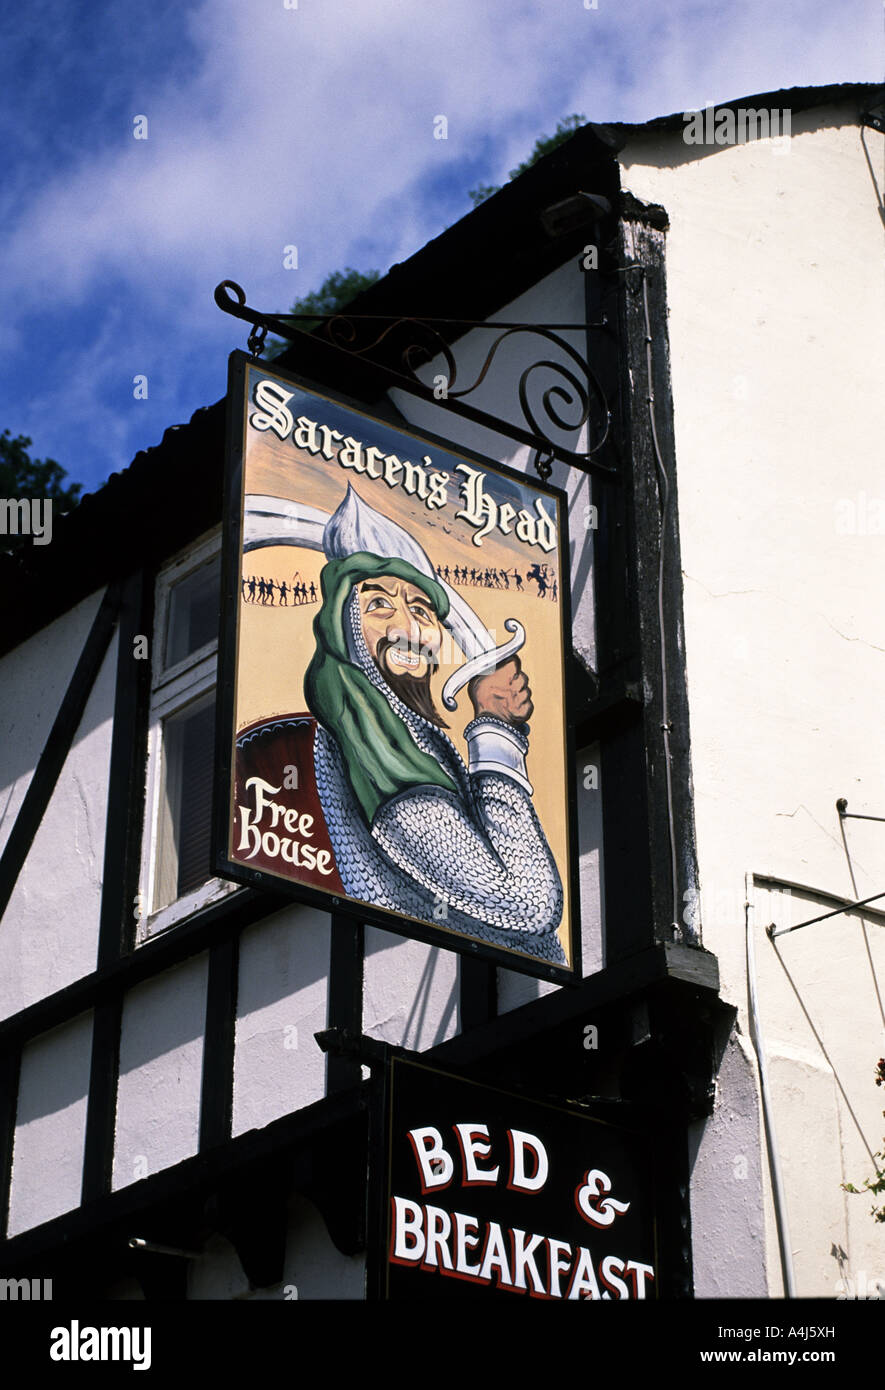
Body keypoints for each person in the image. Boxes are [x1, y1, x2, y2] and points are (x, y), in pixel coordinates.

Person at [304, 551, 565, 964]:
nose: (408, 629)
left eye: (422, 611)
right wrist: (494, 729)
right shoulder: (365, 732)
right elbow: (527, 902)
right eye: (378, 605)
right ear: (344, 628)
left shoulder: (413, 730)